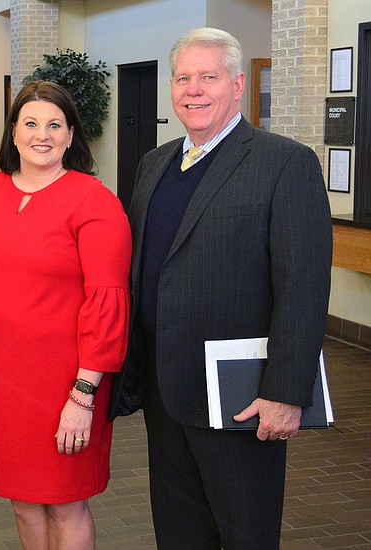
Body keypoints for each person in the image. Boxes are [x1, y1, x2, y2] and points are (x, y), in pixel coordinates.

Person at [109, 28, 333, 549]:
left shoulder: (284, 163)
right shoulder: (153, 164)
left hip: (242, 396)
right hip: (167, 392)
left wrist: (285, 391)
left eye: (207, 77)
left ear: (236, 84)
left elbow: (303, 286)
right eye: (183, 78)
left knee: (244, 534)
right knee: (178, 531)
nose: (194, 90)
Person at [0, 80, 131, 549]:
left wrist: (84, 395)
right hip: (1, 377)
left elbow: (108, 302)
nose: (42, 134)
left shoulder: (94, 200)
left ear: (71, 135)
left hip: (66, 382)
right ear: (13, 132)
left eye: (55, 125)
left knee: (65, 501)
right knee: (23, 499)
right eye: (30, 123)